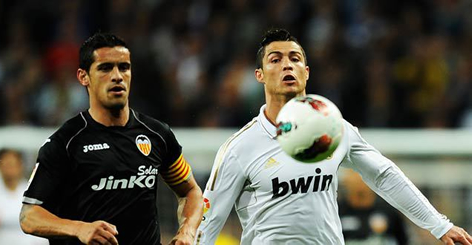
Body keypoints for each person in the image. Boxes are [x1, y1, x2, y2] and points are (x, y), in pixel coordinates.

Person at [195, 28, 472, 245]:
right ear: (259, 75)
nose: (287, 65)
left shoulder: (332, 128)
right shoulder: (240, 147)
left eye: (295, 59)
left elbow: (384, 175)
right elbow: (208, 221)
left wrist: (440, 224)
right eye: (275, 60)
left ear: (306, 72)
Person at [19, 33, 203, 245]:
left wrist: (187, 230)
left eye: (124, 67)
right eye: (105, 68)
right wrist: (79, 228)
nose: (117, 76)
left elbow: (190, 191)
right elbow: (29, 216)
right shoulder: (66, 142)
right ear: (83, 77)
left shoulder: (157, 134)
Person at [0, 149, 47, 245]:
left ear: (20, 166)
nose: (10, 169)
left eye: (13, 164)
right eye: (6, 165)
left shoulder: (34, 193)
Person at [339, 169, 408, 245]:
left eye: (362, 175)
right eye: (354, 174)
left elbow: (402, 239)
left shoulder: (388, 210)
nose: (359, 180)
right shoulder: (336, 211)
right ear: (345, 181)